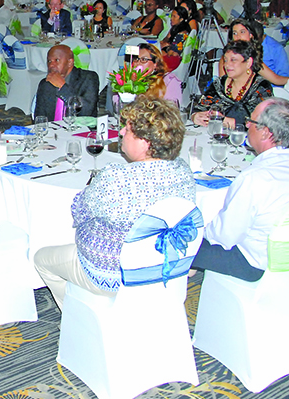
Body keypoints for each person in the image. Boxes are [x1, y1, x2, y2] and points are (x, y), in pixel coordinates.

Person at [34, 97, 194, 307]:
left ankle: (78, 318)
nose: (120, 133)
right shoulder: (183, 172)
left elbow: (80, 211)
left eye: (127, 130)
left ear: (145, 142)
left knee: (42, 259)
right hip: (166, 266)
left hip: (114, 273)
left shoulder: (116, 177)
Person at [192, 99, 289, 281]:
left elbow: (223, 237)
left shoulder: (256, 177)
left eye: (251, 122)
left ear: (265, 133)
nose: (246, 125)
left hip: (258, 264)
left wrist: (199, 228)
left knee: (175, 240)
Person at [193, 39, 274, 129]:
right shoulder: (219, 84)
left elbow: (261, 123)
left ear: (248, 63)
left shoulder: (261, 87)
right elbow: (200, 107)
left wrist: (225, 121)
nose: (227, 65)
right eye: (226, 60)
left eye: (233, 60)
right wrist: (196, 116)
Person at [33, 44, 99, 120]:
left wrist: (62, 87)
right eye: (49, 61)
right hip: (53, 130)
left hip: (81, 129)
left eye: (56, 60)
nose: (51, 65)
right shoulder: (45, 84)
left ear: (70, 62)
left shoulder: (88, 78)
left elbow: (86, 113)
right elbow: (40, 118)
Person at [224, 18, 289, 84]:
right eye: (234, 33)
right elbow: (223, 83)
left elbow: (276, 79)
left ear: (251, 35)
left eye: (242, 32)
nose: (238, 36)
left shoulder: (252, 58)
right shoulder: (226, 57)